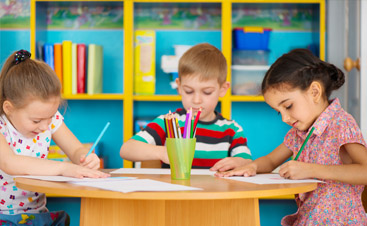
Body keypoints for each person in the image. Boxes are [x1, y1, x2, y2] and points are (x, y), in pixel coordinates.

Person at [216, 48, 367, 225]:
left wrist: (312, 169)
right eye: (278, 112)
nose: (285, 118)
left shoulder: (341, 124)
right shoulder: (298, 134)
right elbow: (271, 160)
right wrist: (252, 167)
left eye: (288, 106)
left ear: (315, 92)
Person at [0, 50, 109, 225]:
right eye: (36, 120)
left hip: (37, 215)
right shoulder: (2, 127)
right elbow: (9, 163)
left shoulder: (49, 121)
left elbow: (75, 149)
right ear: (8, 108)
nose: (45, 126)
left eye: (50, 116)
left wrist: (85, 157)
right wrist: (64, 168)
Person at [120, 43, 252, 171]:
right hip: (175, 193)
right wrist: (162, 152)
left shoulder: (232, 130)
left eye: (207, 92)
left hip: (214, 193)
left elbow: (247, 162)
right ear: (179, 86)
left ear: (223, 89)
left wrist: (239, 161)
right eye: (189, 91)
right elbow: (127, 149)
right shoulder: (169, 123)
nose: (196, 100)